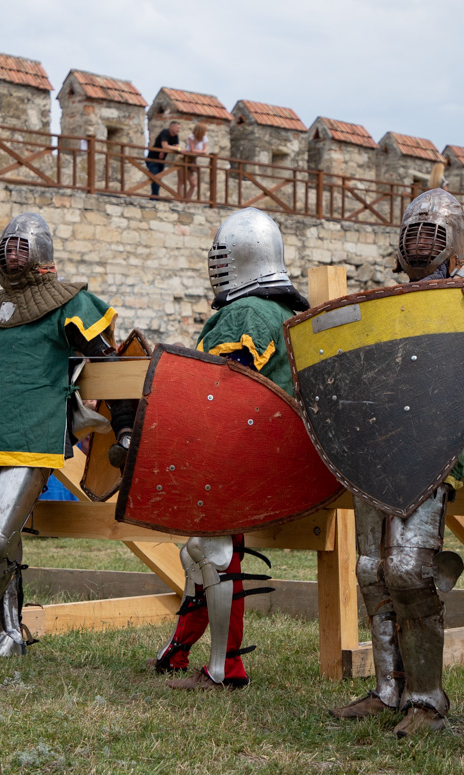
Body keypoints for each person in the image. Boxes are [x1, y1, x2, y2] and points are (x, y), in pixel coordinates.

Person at [0, 213, 137, 666]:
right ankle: (10, 634)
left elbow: (109, 365)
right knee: (3, 539)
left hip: (34, 435)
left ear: (40, 252)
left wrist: (124, 424)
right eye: (7, 245)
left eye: (21, 245)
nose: (11, 253)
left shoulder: (70, 303)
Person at [330, 189, 464, 736]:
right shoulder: (386, 300)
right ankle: (388, 690)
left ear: (453, 240)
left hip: (429, 445)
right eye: (414, 232)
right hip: (374, 443)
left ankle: (426, 700)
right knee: (370, 569)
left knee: (408, 569)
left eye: (433, 233)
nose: (421, 242)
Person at [143, 207, 309, 690]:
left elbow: (220, 395)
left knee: (211, 548)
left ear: (238, 259)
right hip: (282, 455)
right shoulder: (286, 312)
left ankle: (224, 669)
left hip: (248, 457)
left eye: (220, 257)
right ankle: (179, 648)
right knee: (196, 549)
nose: (214, 266)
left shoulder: (246, 313)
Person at [146, 120, 180, 197]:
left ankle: (155, 196)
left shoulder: (175, 136)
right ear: (172, 127)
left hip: (161, 160)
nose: (179, 130)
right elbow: (165, 146)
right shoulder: (165, 132)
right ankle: (154, 196)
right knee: (155, 177)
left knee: (159, 177)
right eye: (177, 128)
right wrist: (168, 148)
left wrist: (165, 150)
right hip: (152, 158)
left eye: (179, 128)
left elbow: (176, 147)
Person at [182, 123, 208, 199]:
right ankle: (181, 201)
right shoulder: (192, 137)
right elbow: (192, 150)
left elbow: (204, 151)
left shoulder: (204, 138)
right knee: (181, 181)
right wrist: (200, 152)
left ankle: (186, 201)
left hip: (193, 160)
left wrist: (198, 151)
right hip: (185, 159)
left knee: (193, 184)